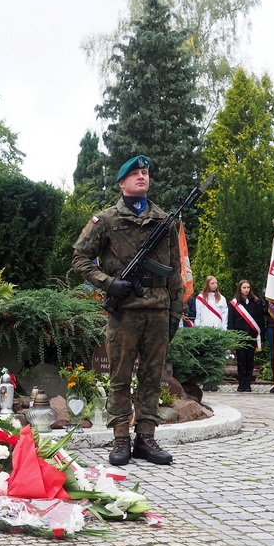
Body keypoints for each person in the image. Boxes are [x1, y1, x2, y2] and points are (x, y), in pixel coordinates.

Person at [72, 155, 184, 466]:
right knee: (120, 378)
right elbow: (80, 259)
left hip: (159, 310)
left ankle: (146, 438)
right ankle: (121, 437)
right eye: (134, 173)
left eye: (145, 172)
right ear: (122, 183)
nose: (141, 177)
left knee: (151, 377)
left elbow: (174, 271)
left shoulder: (164, 220)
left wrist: (177, 312)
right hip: (124, 312)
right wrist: (108, 283)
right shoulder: (105, 220)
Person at [227, 280, 264, 393]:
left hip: (252, 335)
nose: (246, 289)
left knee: (250, 359)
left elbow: (260, 320)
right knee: (241, 359)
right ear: (240, 289)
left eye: (248, 287)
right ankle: (241, 383)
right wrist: (231, 337)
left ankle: (248, 383)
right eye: (244, 287)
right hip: (239, 335)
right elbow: (231, 321)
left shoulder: (256, 302)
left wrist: (262, 336)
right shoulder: (234, 303)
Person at [195, 275, 228, 391]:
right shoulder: (200, 298)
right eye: (212, 283)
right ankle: (206, 382)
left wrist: (224, 329)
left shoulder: (221, 299)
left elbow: (224, 315)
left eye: (216, 283)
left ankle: (214, 381)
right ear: (207, 284)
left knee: (217, 356)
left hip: (217, 330)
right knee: (205, 356)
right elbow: (198, 316)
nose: (215, 285)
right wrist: (198, 330)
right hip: (204, 330)